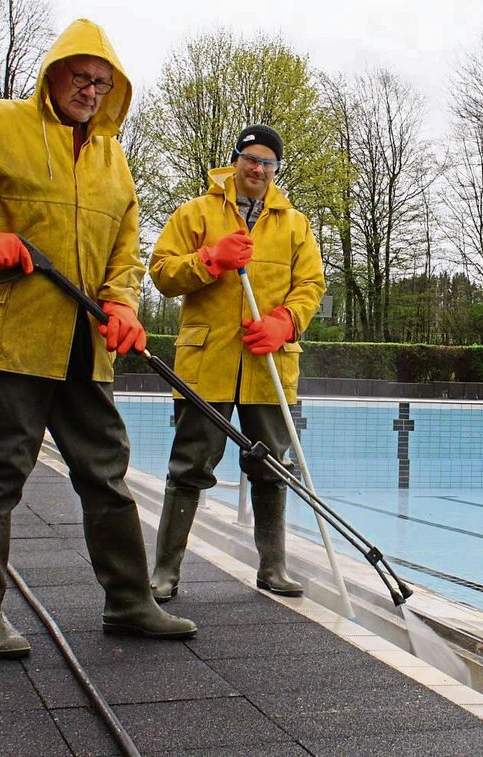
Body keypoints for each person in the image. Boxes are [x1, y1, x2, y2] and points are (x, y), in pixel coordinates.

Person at [0, 19, 197, 658]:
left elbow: (125, 247)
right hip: (7, 335)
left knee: (107, 473)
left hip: (82, 343)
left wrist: (121, 302)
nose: (91, 90)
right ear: (52, 74)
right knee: (3, 470)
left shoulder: (114, 158)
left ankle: (130, 602)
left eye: (103, 83)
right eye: (81, 77)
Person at [148, 124, 325, 600]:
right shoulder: (196, 214)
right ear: (235, 160)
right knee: (188, 467)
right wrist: (210, 260)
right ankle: (164, 572)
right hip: (207, 365)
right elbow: (162, 273)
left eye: (268, 162)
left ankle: (273, 567)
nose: (258, 168)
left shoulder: (295, 225)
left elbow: (311, 285)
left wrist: (285, 322)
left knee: (273, 468)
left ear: (276, 169)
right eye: (250, 157)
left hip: (269, 367)